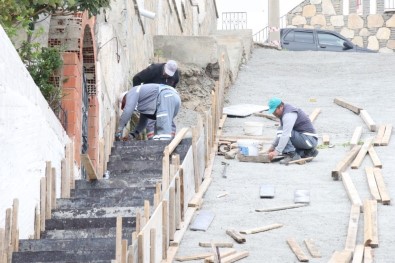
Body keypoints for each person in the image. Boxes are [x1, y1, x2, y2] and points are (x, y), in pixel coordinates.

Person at [115, 83, 181, 141]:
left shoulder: (132, 91)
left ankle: (163, 150)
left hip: (166, 96)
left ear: (125, 97)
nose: (127, 104)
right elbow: (143, 122)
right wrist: (133, 134)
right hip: (174, 99)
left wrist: (119, 130)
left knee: (163, 128)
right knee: (158, 131)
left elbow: (127, 110)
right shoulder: (145, 102)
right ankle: (161, 149)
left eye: (125, 103)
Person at [132, 60, 180, 139]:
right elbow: (136, 78)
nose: (167, 76)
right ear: (164, 67)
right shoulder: (153, 69)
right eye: (166, 73)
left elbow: (173, 87)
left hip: (164, 98)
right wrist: (137, 96)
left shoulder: (175, 75)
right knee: (148, 120)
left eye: (169, 75)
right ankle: (149, 140)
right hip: (150, 97)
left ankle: (169, 141)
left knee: (166, 119)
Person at [266, 97, 319, 164]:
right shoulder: (284, 112)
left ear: (281, 107)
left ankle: (292, 154)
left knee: (283, 139)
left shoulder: (288, 114)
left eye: (274, 111)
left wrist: (276, 152)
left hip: (309, 139)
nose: (273, 113)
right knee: (283, 145)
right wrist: (272, 147)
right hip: (306, 139)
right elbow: (281, 134)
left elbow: (285, 134)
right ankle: (308, 152)